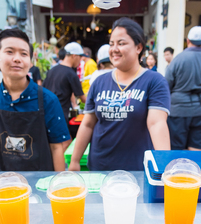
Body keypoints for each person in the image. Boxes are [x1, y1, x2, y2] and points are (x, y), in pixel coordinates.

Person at [69, 17, 171, 171]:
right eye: (111, 44)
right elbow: (88, 123)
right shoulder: (99, 82)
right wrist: (75, 161)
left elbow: (157, 124)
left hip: (137, 168)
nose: (114, 49)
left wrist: (164, 167)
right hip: (100, 166)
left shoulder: (154, 81)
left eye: (121, 43)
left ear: (138, 47)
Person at [0, 29, 70, 172]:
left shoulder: (48, 99)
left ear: (30, 62)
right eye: (10, 52)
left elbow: (56, 147)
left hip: (39, 180)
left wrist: (59, 183)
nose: (17, 58)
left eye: (24, 54)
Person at [165, 26, 201, 151]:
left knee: (176, 147)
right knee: (196, 145)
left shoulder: (178, 60)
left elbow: (167, 86)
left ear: (188, 40)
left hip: (179, 110)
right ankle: (194, 169)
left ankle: (178, 169)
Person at [43, 42, 87, 126]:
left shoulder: (52, 70)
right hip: (60, 114)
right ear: (74, 56)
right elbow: (83, 99)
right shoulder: (71, 74)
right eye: (80, 56)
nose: (81, 60)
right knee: (65, 139)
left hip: (47, 112)